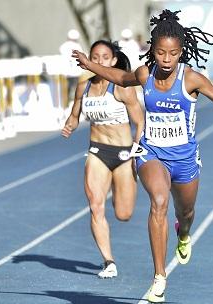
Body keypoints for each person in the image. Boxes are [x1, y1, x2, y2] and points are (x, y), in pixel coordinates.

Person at [72, 9, 213, 302]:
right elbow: (120, 76)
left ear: (181, 53)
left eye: (173, 54)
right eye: (162, 53)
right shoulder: (146, 73)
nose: (167, 60)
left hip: (185, 159)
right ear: (153, 51)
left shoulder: (192, 79)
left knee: (186, 213)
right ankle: (159, 276)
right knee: (159, 201)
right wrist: (90, 64)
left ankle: (184, 234)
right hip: (152, 152)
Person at [62, 40, 145, 279]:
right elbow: (75, 116)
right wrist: (70, 124)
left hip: (123, 155)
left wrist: (137, 150)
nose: (98, 62)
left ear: (113, 61)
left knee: (123, 214)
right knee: (95, 206)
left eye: (104, 57)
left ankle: (118, 191)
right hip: (97, 152)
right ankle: (108, 261)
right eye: (94, 57)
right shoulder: (83, 88)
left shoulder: (121, 88)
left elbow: (140, 122)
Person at [59, 29, 84, 100]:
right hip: (75, 72)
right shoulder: (77, 46)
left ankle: (67, 101)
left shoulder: (64, 46)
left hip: (68, 72)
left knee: (68, 88)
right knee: (75, 87)